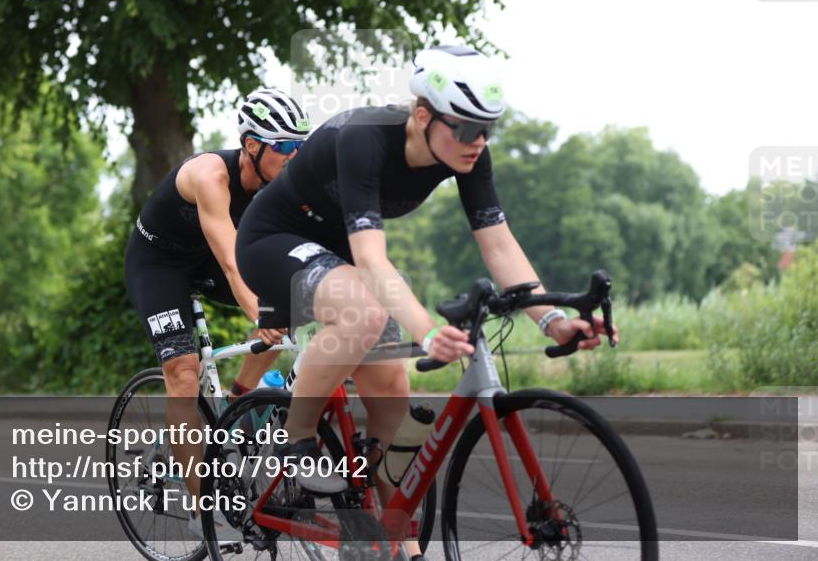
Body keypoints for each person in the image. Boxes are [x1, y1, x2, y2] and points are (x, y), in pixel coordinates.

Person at [235, 46, 618, 552]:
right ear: (422, 115)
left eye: (488, 129)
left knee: (393, 412)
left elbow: (499, 244)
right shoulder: (364, 139)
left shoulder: (468, 154)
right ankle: (296, 436)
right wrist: (427, 330)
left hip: (337, 251)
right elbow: (372, 262)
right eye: (464, 128)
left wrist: (549, 319)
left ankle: (394, 545)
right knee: (366, 311)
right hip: (272, 240)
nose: (477, 141)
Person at [124, 87, 310, 539]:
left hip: (204, 259)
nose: (295, 156)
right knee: (184, 373)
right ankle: (200, 511)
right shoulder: (211, 175)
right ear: (252, 145)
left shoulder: (284, 183)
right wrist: (260, 315)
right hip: (160, 265)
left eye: (300, 146)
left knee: (292, 297)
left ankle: (242, 405)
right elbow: (231, 261)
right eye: (285, 146)